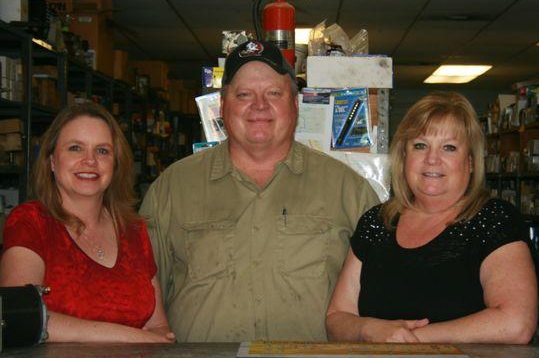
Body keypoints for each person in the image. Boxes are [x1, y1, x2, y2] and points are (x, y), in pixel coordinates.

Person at [140, 40, 379, 342]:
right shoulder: (170, 189)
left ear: (295, 105)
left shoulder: (349, 191)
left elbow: (379, 299)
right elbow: (141, 296)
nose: (259, 105)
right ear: (223, 106)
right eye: (244, 95)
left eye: (274, 93)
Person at [326, 92, 538, 344]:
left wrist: (407, 340)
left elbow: (516, 324)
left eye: (449, 147)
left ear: (469, 162)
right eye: (420, 145)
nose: (432, 159)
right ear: (404, 157)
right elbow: (337, 318)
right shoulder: (376, 222)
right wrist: (368, 330)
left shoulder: (495, 220)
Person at [0, 102, 174, 343]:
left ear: (115, 163)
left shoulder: (133, 229)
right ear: (52, 161)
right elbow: (20, 317)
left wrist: (153, 339)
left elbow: (158, 326)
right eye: (75, 148)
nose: (90, 160)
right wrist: (130, 337)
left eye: (102, 151)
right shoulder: (31, 222)